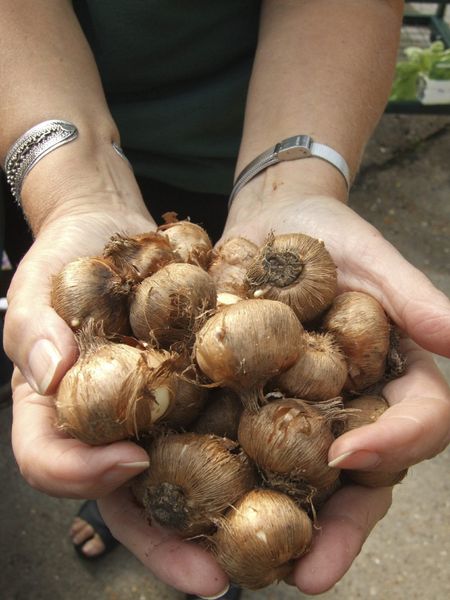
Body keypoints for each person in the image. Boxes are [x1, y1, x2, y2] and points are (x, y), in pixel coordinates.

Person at [1, 1, 450, 599]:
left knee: (125, 451)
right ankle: (117, 493)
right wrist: (69, 194)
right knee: (110, 454)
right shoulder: (152, 297)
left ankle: (149, 499)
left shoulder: (251, 303)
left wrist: (293, 176)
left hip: (253, 137)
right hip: (52, 150)